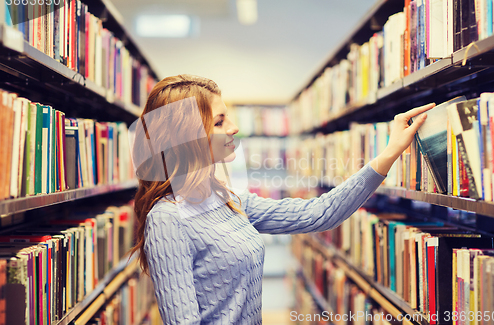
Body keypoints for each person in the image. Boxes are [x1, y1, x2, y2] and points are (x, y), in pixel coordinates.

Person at [129, 74, 434, 324]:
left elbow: (319, 213)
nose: (234, 127)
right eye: (220, 122)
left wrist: (390, 153)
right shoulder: (168, 219)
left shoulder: (227, 200)